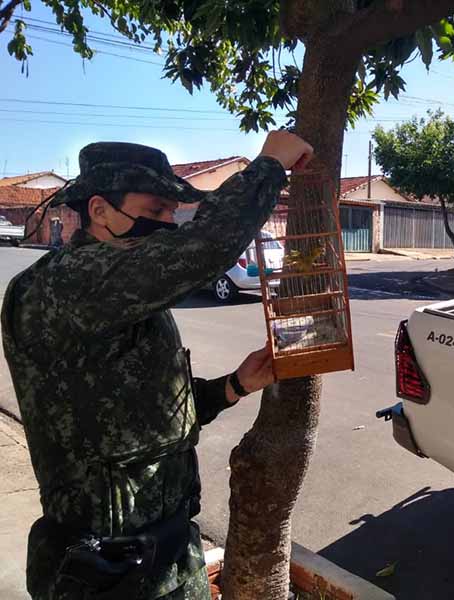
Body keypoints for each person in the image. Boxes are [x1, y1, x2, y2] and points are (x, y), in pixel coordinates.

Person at [1, 131, 313, 600]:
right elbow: (202, 249)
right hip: (104, 569)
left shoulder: (123, 289)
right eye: (153, 212)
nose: (168, 224)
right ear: (99, 210)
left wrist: (235, 385)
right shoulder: (65, 285)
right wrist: (268, 165)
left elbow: (148, 411)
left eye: (171, 212)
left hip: (166, 557)